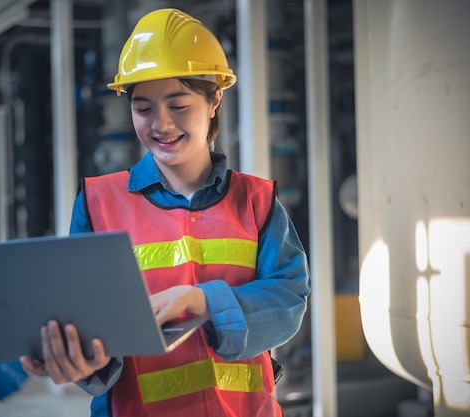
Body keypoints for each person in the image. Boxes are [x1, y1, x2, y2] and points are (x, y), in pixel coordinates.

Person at [21, 8, 310, 417]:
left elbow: (288, 301)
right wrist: (77, 359)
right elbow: (88, 320)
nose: (161, 124)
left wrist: (200, 300)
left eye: (178, 105)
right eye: (143, 108)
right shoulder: (98, 204)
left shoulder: (257, 201)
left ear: (214, 100)